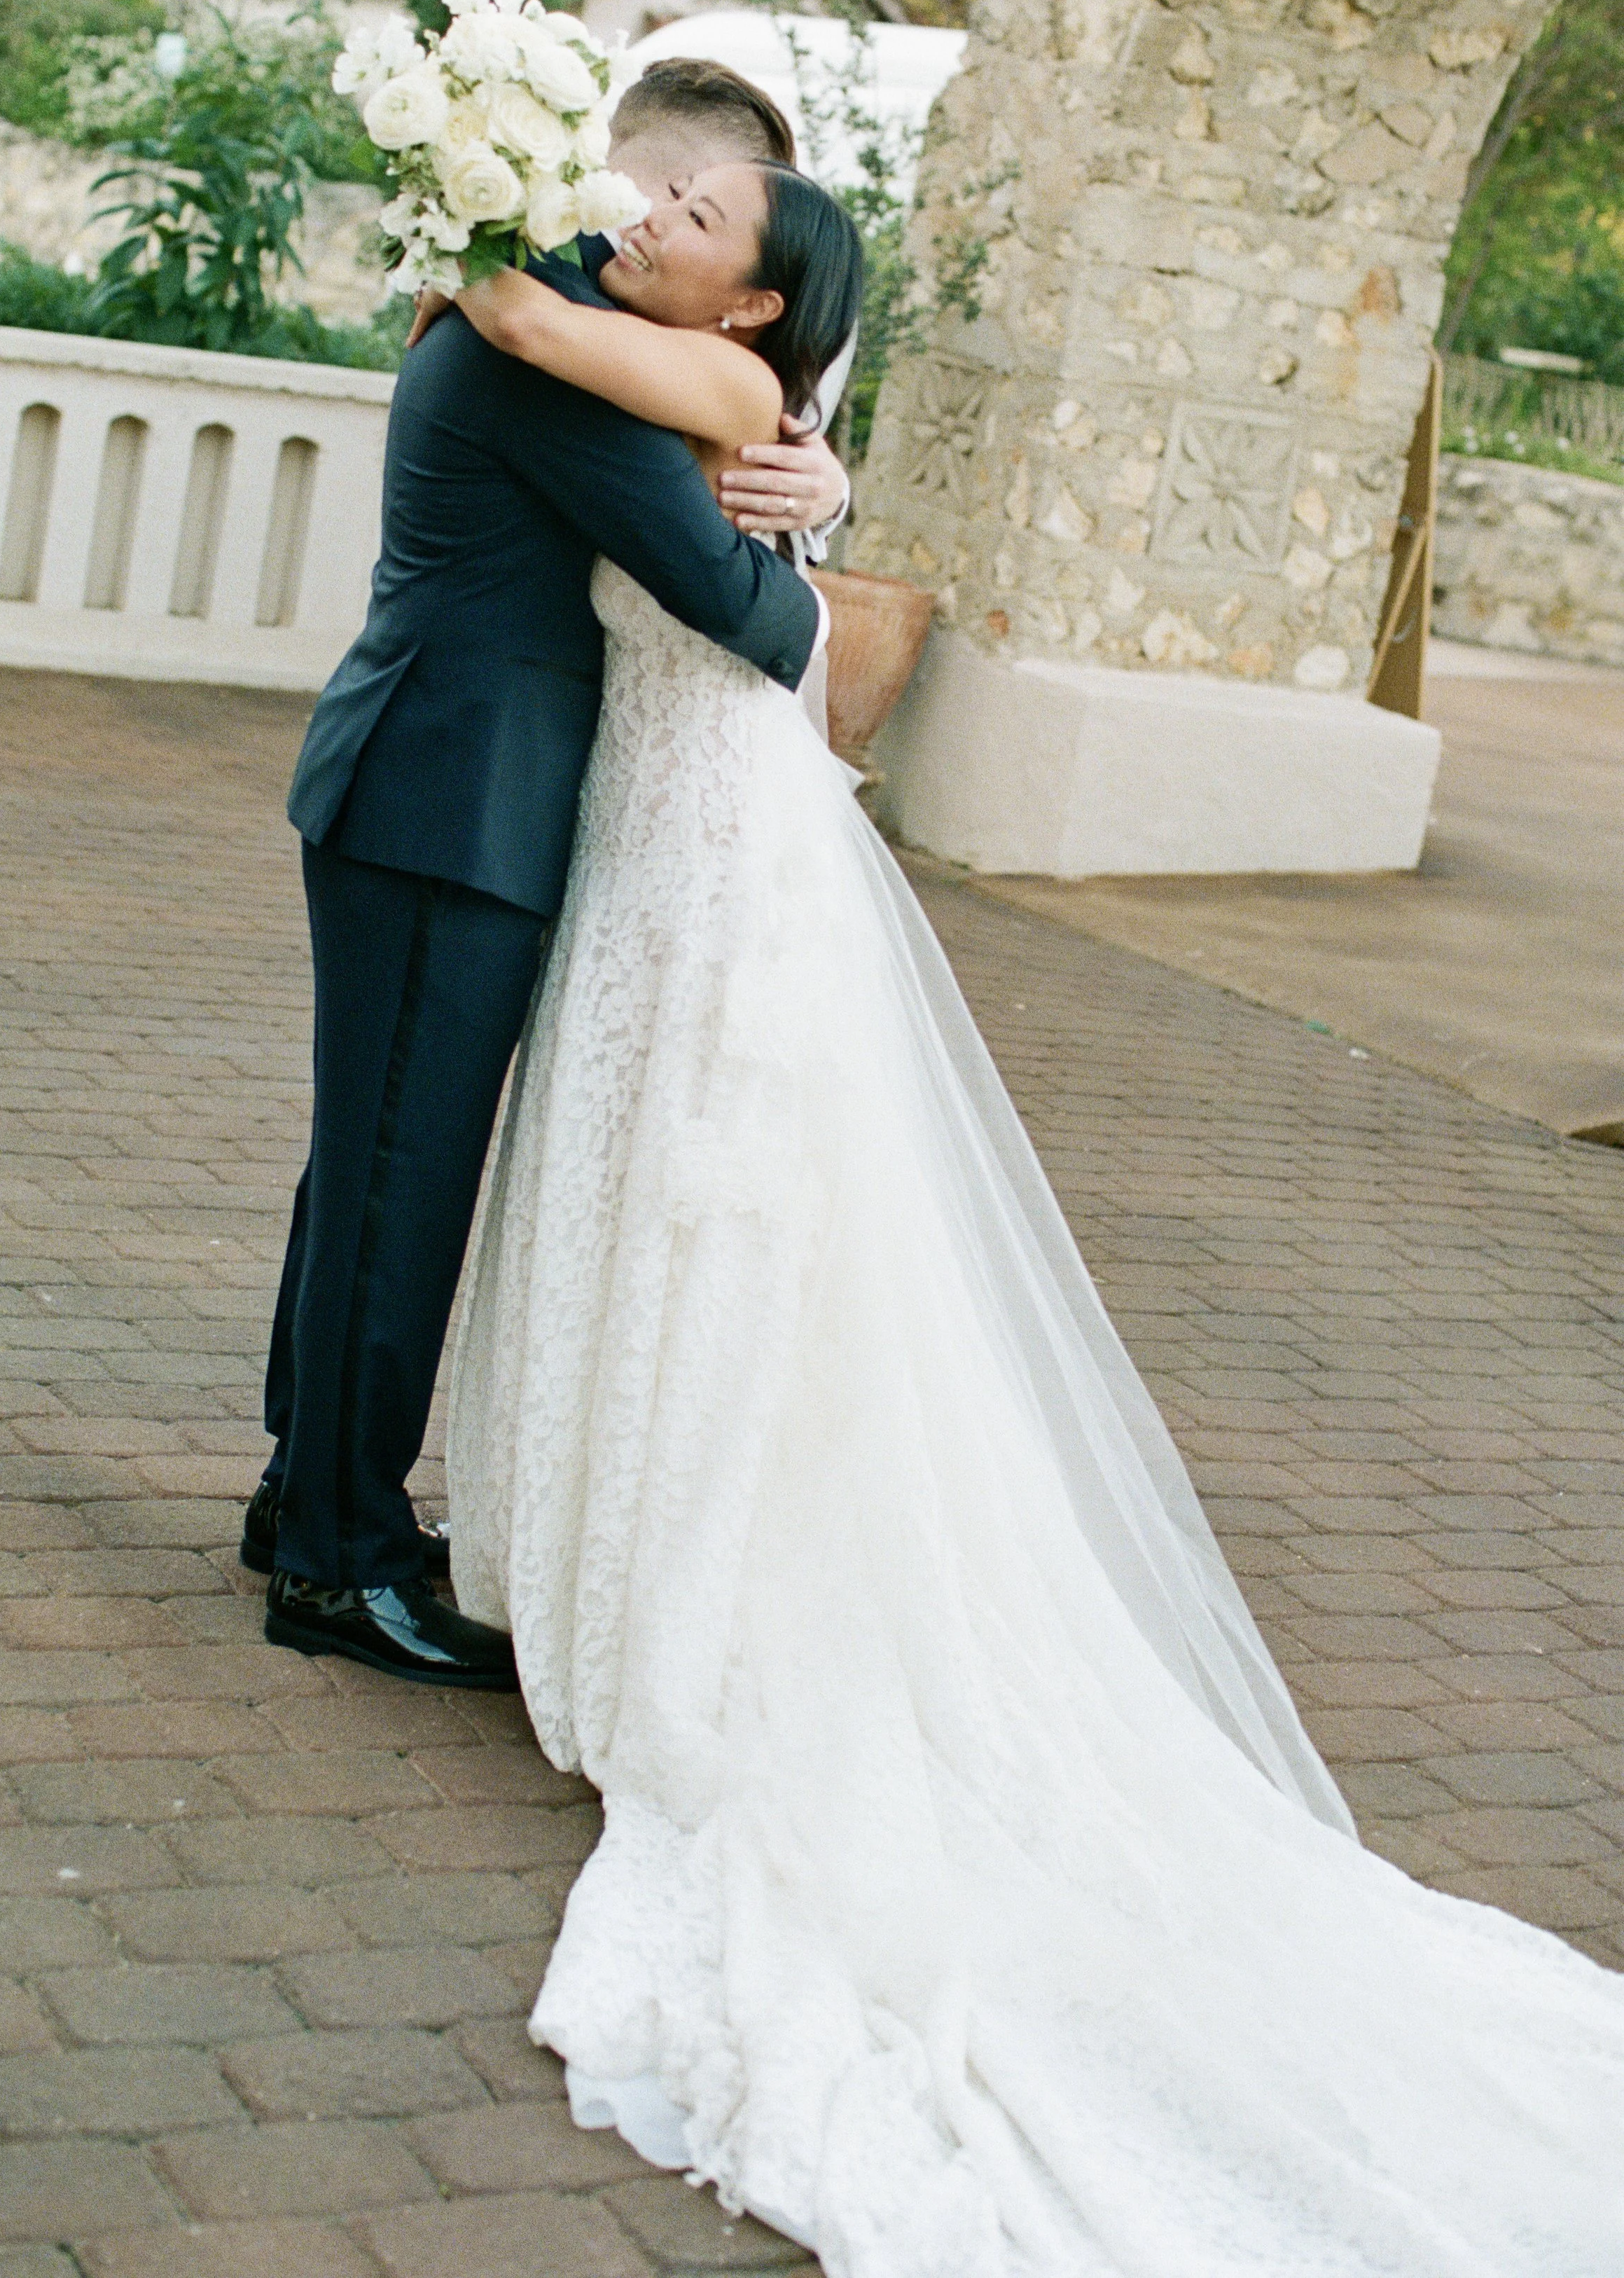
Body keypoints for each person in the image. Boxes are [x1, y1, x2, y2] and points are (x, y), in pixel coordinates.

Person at [441, 163, 1624, 2270]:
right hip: (677, 811)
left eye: (703, 200)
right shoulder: (728, 393)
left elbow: (513, 319)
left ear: (762, 304)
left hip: (721, 838)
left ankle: (691, 1604)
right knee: (680, 1193)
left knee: (724, 1208)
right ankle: (622, 1547)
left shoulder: (702, 385)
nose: (662, 199)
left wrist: (480, 188)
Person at [247, 137, 826, 1685]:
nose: (647, 217)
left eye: (687, 212)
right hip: (453, 797)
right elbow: (725, 597)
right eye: (652, 191)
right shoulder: (551, 361)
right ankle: (337, 1560)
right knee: (397, 1184)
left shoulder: (535, 313)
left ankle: (307, 1493)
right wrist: (811, 593)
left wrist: (813, 476)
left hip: (428, 778)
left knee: (369, 1164)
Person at [408, 55, 856, 560]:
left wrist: (452, 243)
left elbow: (525, 323)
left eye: (701, 217)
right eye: (681, 196)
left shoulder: (729, 376)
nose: (659, 219)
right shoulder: (558, 280)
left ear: (756, 303)